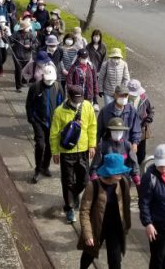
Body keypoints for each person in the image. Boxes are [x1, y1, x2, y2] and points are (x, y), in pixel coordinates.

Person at [50, 84, 98, 224]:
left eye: (80, 99)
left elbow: (92, 126)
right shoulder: (59, 111)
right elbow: (54, 133)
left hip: (83, 150)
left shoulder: (87, 106)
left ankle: (72, 196)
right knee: (67, 181)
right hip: (67, 152)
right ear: (69, 97)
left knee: (84, 180)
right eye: (75, 99)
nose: (78, 102)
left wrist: (92, 145)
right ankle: (69, 208)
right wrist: (55, 151)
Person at [79, 153, 133, 269]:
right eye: (118, 172)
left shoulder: (123, 182)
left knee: (115, 262)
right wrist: (88, 234)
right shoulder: (93, 186)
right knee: (88, 256)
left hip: (115, 227)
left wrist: (126, 226)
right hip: (97, 227)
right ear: (110, 173)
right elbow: (84, 211)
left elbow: (126, 206)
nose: (121, 174)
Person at [26, 64, 64, 184]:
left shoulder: (58, 87)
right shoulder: (35, 87)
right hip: (38, 121)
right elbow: (29, 104)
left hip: (53, 122)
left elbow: (62, 104)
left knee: (50, 146)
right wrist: (31, 118)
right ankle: (37, 169)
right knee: (40, 145)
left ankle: (45, 166)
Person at [89, 118, 140, 185]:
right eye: (115, 131)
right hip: (106, 180)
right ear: (110, 131)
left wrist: (136, 175)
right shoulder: (102, 145)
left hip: (123, 179)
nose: (118, 133)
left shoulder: (127, 145)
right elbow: (95, 165)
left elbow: (134, 162)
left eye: (120, 131)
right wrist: (94, 177)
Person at [97, 85, 141, 155]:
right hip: (108, 148)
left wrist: (135, 143)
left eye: (125, 95)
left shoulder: (132, 110)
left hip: (125, 147)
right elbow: (99, 130)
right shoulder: (105, 110)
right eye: (121, 95)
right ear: (115, 95)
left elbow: (136, 129)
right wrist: (96, 145)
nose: (123, 98)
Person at [129, 79, 154, 167]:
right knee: (129, 151)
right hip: (128, 131)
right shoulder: (124, 100)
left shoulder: (144, 99)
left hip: (141, 130)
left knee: (141, 153)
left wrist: (148, 119)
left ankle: (139, 169)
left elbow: (151, 110)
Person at [10, 18, 37, 92]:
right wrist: (4, 36)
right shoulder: (16, 34)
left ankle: (23, 81)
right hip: (17, 57)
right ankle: (18, 87)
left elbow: (36, 43)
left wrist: (30, 46)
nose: (28, 28)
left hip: (27, 57)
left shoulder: (31, 34)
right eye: (27, 27)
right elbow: (9, 40)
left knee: (25, 71)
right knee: (18, 71)